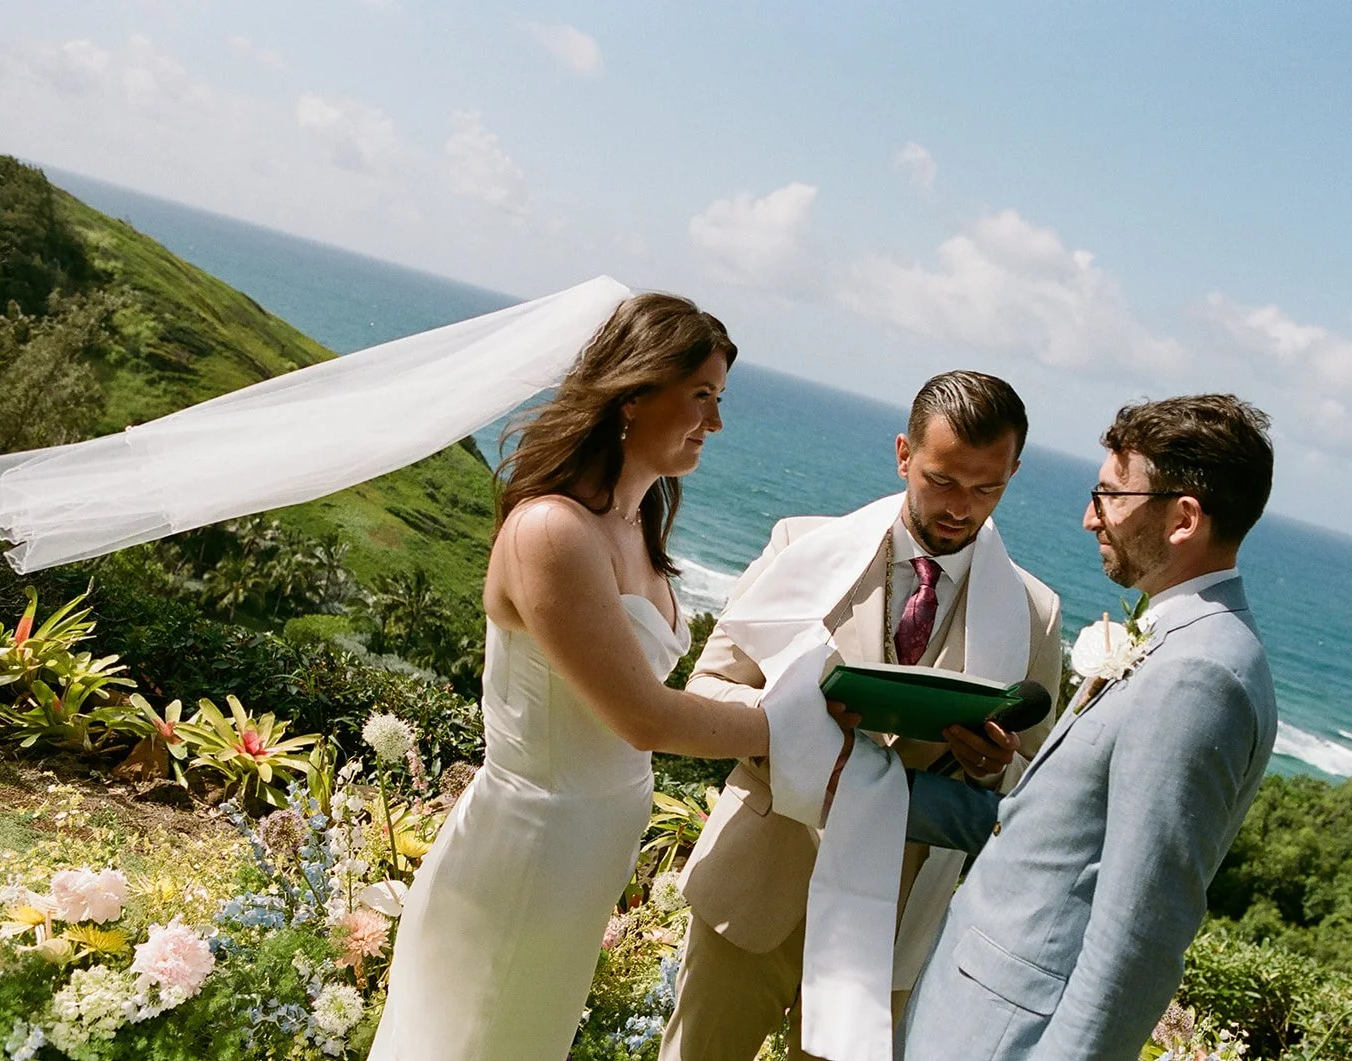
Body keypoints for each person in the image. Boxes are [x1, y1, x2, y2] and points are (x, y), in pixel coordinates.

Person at [368, 293, 820, 1060]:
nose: (715, 423)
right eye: (702, 396)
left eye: (719, 398)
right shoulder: (552, 531)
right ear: (634, 394)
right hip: (529, 853)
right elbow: (641, 716)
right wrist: (798, 721)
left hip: (579, 862)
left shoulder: (636, 521)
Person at [660, 371, 1064, 1061]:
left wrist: (993, 765)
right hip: (762, 879)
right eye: (941, 480)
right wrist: (795, 727)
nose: (962, 507)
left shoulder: (1036, 611)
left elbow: (1035, 784)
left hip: (893, 921)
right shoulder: (801, 546)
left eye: (987, 488)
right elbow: (711, 686)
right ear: (904, 453)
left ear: (1013, 471)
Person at [894, 394, 1279, 1061]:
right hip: (971, 1013)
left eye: (1108, 496)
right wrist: (864, 780)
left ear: (1184, 517)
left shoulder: (1200, 674)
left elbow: (1141, 931)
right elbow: (1044, 833)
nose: (1088, 517)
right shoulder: (1176, 638)